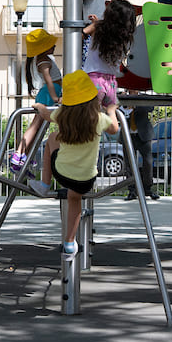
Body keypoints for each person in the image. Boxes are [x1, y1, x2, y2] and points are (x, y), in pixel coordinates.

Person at [27, 70, 119, 256]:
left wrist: (38, 104)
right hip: (86, 179)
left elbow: (45, 113)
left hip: (62, 173)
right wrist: (111, 110)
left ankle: (44, 184)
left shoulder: (63, 114)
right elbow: (114, 129)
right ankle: (70, 242)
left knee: (52, 138)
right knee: (75, 200)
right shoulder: (98, 119)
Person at [10, 28, 61, 172]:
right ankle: (19, 153)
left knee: (38, 129)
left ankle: (25, 156)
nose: (54, 46)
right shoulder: (43, 61)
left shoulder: (45, 59)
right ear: (43, 48)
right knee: (35, 126)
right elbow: (49, 81)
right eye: (50, 44)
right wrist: (55, 98)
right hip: (48, 94)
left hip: (49, 94)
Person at [81, 0, 136, 121]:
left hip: (93, 79)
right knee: (110, 116)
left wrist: (93, 26)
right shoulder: (126, 37)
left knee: (89, 119)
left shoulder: (98, 27)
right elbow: (111, 33)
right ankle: (114, 132)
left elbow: (79, 35)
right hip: (110, 82)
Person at [125, 106, 158, 200]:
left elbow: (150, 108)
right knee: (129, 164)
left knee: (148, 162)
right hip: (128, 135)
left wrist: (135, 105)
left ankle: (148, 189)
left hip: (143, 135)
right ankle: (132, 191)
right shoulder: (122, 98)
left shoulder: (142, 97)